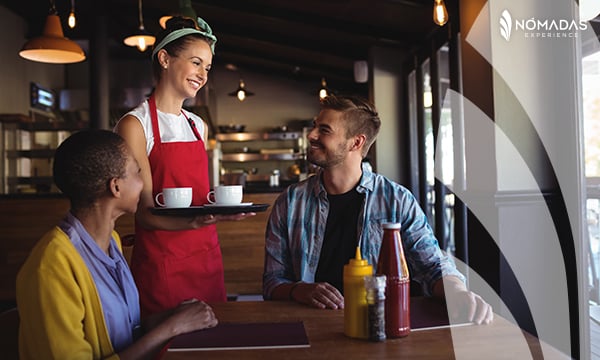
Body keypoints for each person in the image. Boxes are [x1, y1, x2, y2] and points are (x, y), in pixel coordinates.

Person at [263, 94, 493, 325]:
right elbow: (272, 281)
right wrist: (298, 290)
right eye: (315, 127)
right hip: (309, 326)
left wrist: (459, 293)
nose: (311, 135)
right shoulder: (290, 201)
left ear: (356, 142)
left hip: (378, 326)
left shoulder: (397, 200)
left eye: (324, 130)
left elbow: (433, 266)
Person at [16, 130, 218, 359]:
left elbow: (124, 330)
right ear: (116, 187)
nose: (143, 183)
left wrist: (174, 317)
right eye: (137, 173)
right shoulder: (51, 266)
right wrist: (171, 328)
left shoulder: (111, 241)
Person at [115, 16, 253, 316]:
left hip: (205, 255)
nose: (202, 74)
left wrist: (221, 210)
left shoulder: (197, 126)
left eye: (207, 67)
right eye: (195, 62)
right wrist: (194, 222)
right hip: (162, 261)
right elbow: (145, 211)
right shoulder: (135, 125)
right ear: (164, 58)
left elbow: (200, 197)